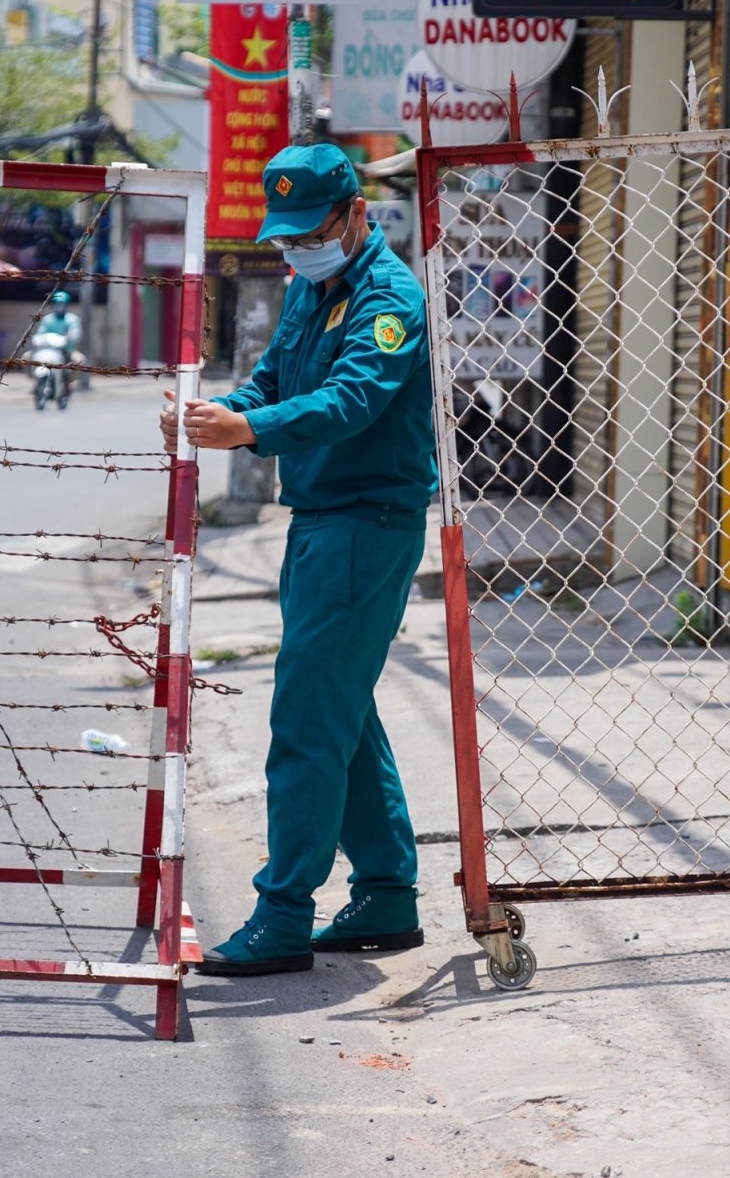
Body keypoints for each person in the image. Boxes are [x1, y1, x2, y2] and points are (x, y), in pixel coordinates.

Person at [161, 143, 436, 976]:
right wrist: (221, 409)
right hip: (319, 521)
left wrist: (249, 431)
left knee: (307, 720)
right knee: (341, 712)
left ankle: (283, 913)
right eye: (285, 240)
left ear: (356, 213)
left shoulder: (389, 298)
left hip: (366, 525)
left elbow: (351, 400)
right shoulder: (310, 289)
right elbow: (274, 378)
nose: (296, 251)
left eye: (310, 233)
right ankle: (386, 892)